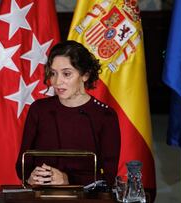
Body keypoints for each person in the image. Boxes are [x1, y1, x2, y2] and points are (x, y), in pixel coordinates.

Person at [15, 40, 121, 187]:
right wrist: (30, 177)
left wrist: (67, 179)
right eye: (53, 73)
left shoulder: (105, 115)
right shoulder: (39, 109)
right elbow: (22, 165)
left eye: (66, 74)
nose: (57, 82)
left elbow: (108, 178)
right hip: (41, 196)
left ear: (85, 75)